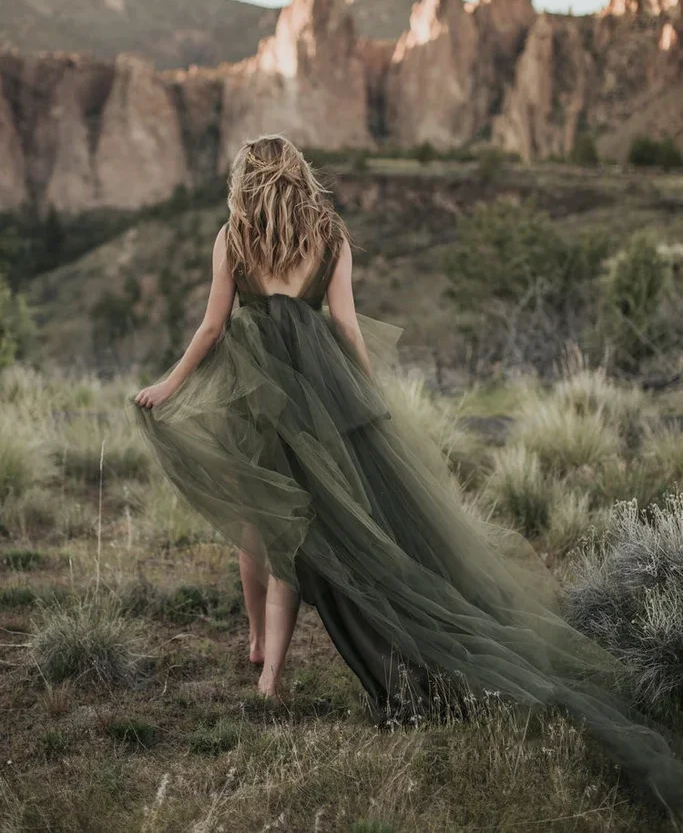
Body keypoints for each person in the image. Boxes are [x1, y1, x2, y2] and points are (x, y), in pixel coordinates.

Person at [127, 134, 683, 822]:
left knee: (262, 520)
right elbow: (347, 327)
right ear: (299, 176)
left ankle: (261, 660)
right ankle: (267, 668)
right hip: (324, 397)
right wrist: (367, 397)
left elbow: (211, 330)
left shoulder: (232, 237)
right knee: (314, 530)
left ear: (247, 179)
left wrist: (169, 383)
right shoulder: (329, 236)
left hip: (259, 396)